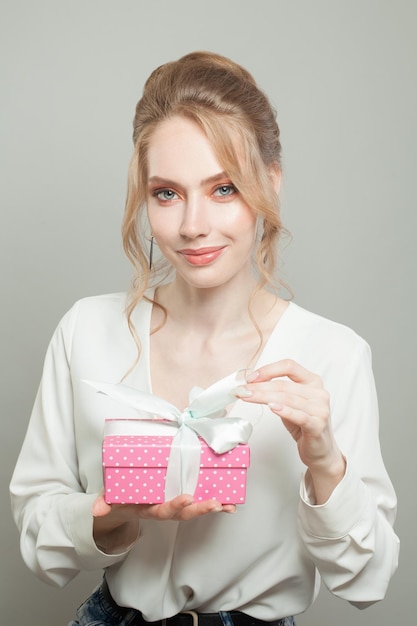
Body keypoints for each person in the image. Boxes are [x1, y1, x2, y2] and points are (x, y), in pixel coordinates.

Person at [10, 51, 399, 626]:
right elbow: (39, 539)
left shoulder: (332, 355)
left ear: (270, 183)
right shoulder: (86, 332)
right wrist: (112, 513)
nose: (192, 224)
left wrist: (324, 460)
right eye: (166, 193)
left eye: (223, 189)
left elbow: (367, 581)